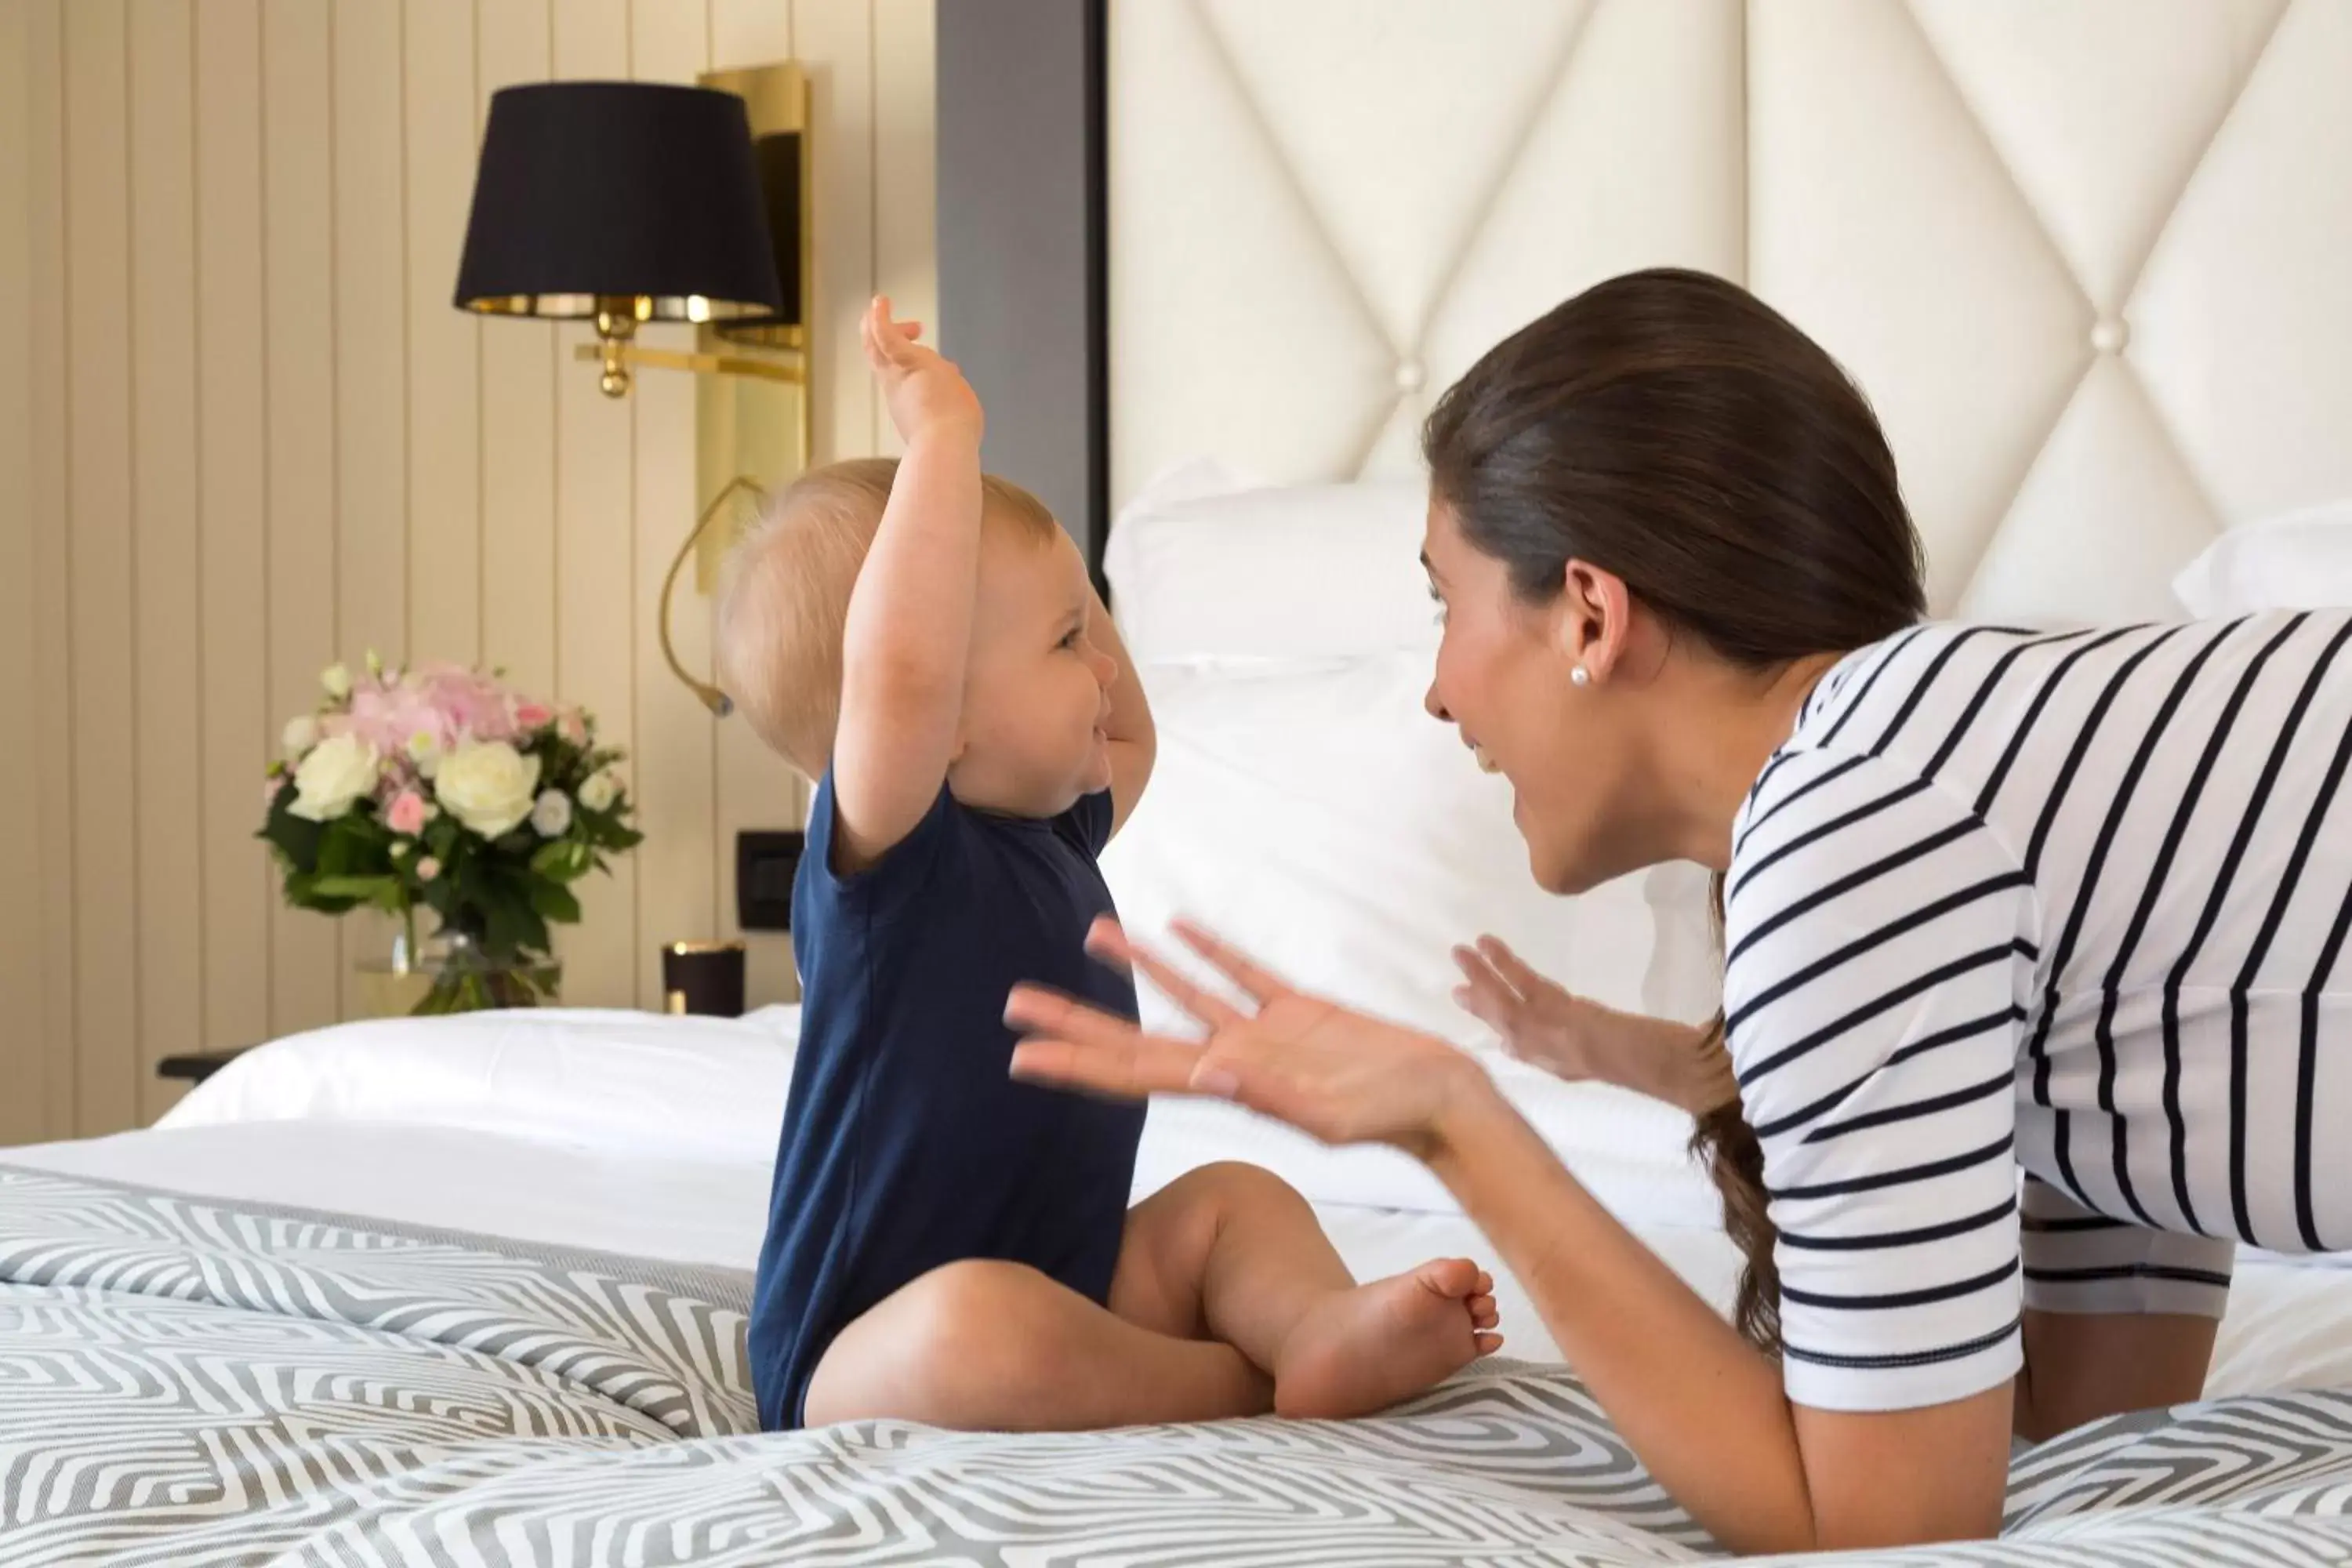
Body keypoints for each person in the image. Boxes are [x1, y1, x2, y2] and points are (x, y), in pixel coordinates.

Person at [1003, 268, 2352, 1552]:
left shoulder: (1855, 818)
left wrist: (1458, 1123)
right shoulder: (1993, 811)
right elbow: (2086, 1434)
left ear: (1589, 613)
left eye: (1444, 605)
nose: (1437, 692)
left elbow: (1888, 1534)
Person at [716, 296, 1501, 1436]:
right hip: (867, 1354)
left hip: (1075, 1282)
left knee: (1238, 1203)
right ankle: (1247, 1387)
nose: (1098, 665)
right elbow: (898, 672)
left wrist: (1059, 586)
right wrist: (942, 448)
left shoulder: (1055, 832)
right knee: (977, 1334)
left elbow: (1128, 731)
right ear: (941, 721)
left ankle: (1316, 1331)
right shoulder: (891, 866)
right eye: (1061, 641)